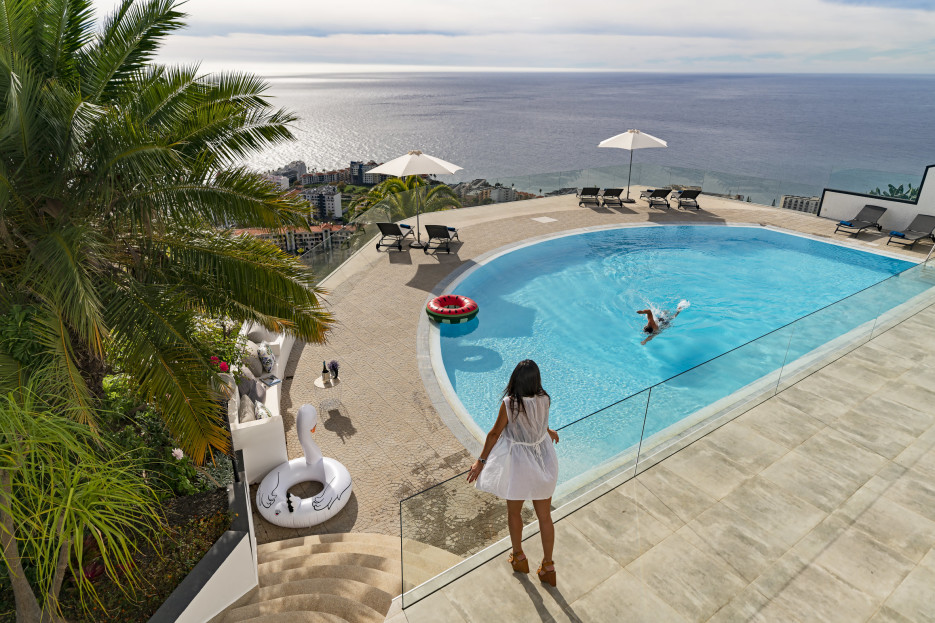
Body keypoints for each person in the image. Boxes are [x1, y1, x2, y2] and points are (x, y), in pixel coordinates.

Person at [467, 359, 560, 586]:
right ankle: (548, 567)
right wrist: (547, 431)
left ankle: (519, 557)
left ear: (516, 380)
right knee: (545, 517)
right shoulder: (544, 398)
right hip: (543, 461)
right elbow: (537, 421)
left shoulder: (510, 404)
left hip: (519, 466)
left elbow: (494, 434)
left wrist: (480, 462)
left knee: (514, 513)